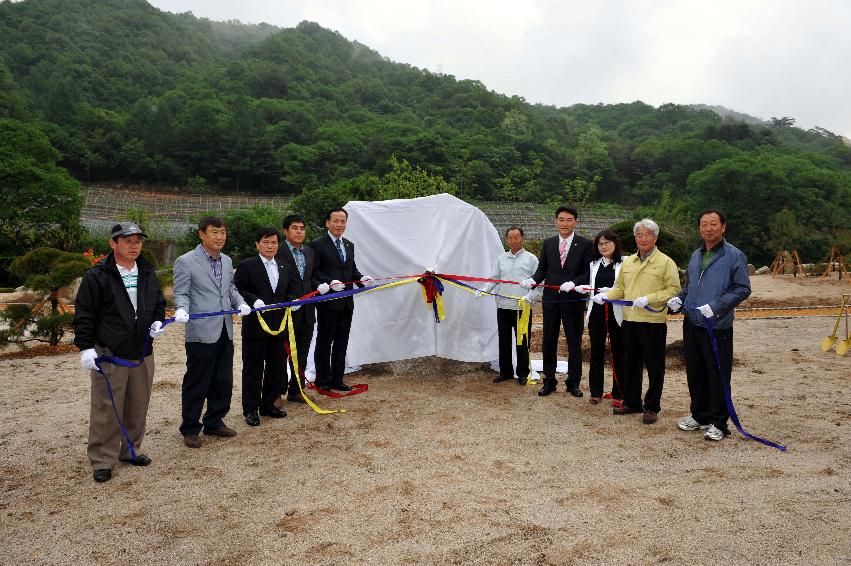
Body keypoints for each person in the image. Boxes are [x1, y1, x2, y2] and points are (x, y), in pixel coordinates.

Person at [73, 222, 166, 482]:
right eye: (127, 240)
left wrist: (157, 321)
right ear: (113, 244)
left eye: (137, 240)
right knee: (107, 408)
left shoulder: (147, 271)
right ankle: (103, 458)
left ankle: (130, 449)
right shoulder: (98, 275)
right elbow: (85, 313)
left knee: (138, 404)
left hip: (142, 350)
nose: (134, 245)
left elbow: (158, 302)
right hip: (110, 352)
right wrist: (86, 347)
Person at [668, 209, 751, 442]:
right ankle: (699, 414)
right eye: (704, 224)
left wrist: (717, 306)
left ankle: (719, 422)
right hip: (693, 323)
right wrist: (680, 299)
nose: (708, 228)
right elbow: (690, 286)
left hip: (717, 326)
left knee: (717, 374)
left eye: (713, 224)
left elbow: (743, 288)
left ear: (723, 227)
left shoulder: (734, 255)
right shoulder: (696, 255)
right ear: (699, 228)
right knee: (695, 372)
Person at [592, 219, 681, 424]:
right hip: (629, 320)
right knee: (630, 363)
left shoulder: (666, 262)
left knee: (654, 365)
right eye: (639, 235)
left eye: (647, 234)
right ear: (635, 238)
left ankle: (651, 406)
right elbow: (620, 288)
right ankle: (632, 401)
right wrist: (606, 296)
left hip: (652, 321)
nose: (643, 238)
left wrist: (649, 299)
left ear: (655, 237)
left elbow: (673, 290)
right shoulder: (628, 262)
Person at [172, 216, 250, 448]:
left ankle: (215, 421)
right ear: (201, 234)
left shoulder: (226, 260)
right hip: (201, 331)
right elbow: (182, 292)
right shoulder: (185, 261)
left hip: (225, 328)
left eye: (223, 232)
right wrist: (181, 310)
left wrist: (242, 303)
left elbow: (230, 289)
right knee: (198, 380)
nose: (219, 237)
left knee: (223, 379)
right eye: (214, 232)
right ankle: (190, 427)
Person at [520, 206, 593, 397]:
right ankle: (549, 381)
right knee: (549, 341)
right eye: (561, 219)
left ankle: (573, 383)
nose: (565, 223)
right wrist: (532, 281)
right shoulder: (549, 243)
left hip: (573, 301)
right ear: (556, 221)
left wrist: (574, 283)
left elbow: (588, 273)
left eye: (569, 220)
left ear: (575, 221)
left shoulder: (585, 244)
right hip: (551, 301)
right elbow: (542, 269)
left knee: (574, 343)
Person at [234, 227, 297, 426]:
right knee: (253, 369)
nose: (270, 246)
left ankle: (268, 404)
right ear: (257, 244)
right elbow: (238, 289)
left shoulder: (284, 266)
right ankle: (250, 409)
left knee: (276, 367)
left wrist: (292, 301)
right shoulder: (247, 265)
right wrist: (253, 300)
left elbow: (288, 290)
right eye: (266, 242)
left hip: (279, 326)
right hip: (255, 327)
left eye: (274, 242)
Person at [308, 207, 373, 392]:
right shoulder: (317, 244)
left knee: (341, 341)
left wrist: (362, 280)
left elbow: (351, 270)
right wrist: (327, 284)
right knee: (324, 341)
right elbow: (313, 272)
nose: (339, 224)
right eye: (335, 221)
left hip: (346, 301)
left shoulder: (349, 245)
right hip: (328, 302)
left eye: (342, 221)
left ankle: (337, 378)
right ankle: (322, 379)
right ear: (327, 223)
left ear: (346, 223)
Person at [477, 226, 540, 386]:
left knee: (522, 341)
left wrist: (529, 297)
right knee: (504, 341)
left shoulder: (531, 259)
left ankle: (523, 373)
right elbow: (495, 278)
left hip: (522, 308)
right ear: (507, 240)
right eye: (510, 238)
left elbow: (539, 284)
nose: (513, 241)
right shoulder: (501, 259)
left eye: (516, 237)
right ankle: (505, 372)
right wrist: (484, 289)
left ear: (522, 238)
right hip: (503, 306)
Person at [577, 230, 625, 405]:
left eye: (607, 243)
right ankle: (595, 391)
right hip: (597, 310)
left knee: (618, 351)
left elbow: (626, 287)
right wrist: (581, 287)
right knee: (596, 351)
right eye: (600, 244)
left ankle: (619, 391)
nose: (604, 246)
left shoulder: (625, 263)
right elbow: (590, 284)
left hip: (617, 311)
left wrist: (610, 293)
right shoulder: (593, 264)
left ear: (615, 244)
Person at [277, 214, 316, 403]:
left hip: (307, 311)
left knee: (301, 352)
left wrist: (322, 286)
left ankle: (296, 389)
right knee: (280, 353)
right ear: (286, 231)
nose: (299, 232)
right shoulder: (277, 250)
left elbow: (310, 278)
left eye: (302, 228)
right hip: (286, 311)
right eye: (295, 228)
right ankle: (275, 392)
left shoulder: (309, 252)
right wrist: (288, 300)